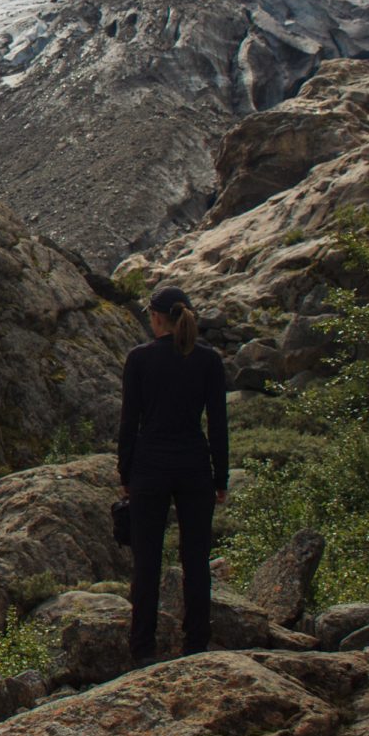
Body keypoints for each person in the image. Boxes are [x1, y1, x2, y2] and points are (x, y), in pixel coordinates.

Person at [117, 285, 228, 665]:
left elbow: (129, 423)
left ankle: (142, 649)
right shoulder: (209, 361)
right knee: (196, 560)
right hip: (195, 466)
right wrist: (221, 477)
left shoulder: (139, 359)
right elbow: (218, 424)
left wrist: (125, 473)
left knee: (146, 562)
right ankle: (196, 644)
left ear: (157, 318)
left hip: (150, 467)